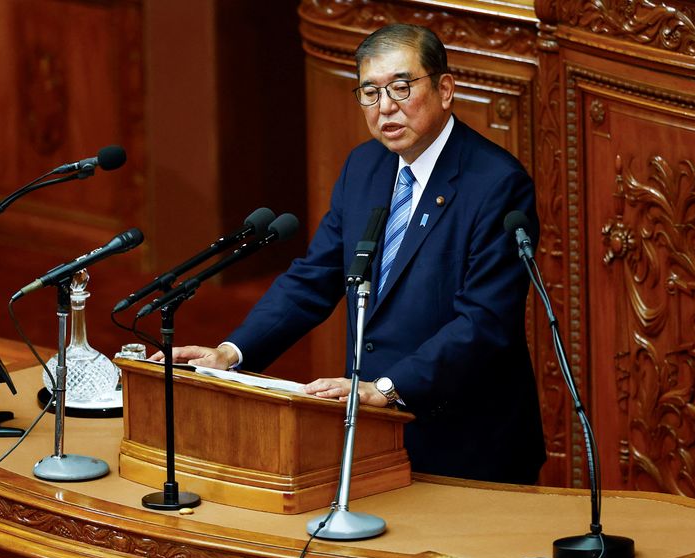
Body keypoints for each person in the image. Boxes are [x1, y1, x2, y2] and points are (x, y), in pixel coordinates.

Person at [154, 23, 546, 484]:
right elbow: (312, 278)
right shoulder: (364, 166)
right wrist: (232, 353)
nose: (385, 108)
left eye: (401, 87)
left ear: (445, 89)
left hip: (466, 438)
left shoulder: (496, 184)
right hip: (371, 434)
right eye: (370, 92)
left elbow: (483, 322)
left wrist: (386, 388)